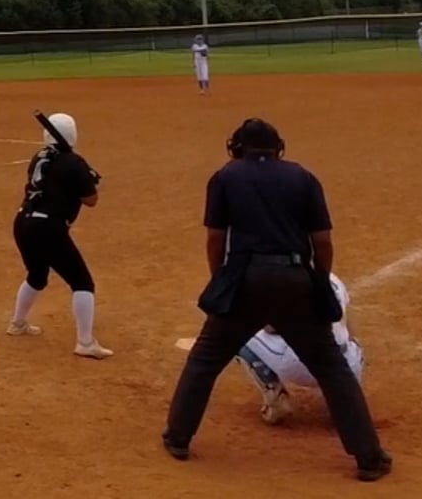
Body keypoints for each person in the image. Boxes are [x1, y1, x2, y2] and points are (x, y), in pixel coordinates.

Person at [162, 118, 391, 482]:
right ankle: (368, 457)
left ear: (237, 147)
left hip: (245, 279)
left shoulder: (225, 176)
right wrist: (317, 282)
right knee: (331, 368)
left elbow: (215, 238)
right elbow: (323, 241)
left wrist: (222, 280)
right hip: (295, 277)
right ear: (278, 147)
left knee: (205, 360)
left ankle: (178, 437)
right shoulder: (303, 177)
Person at [6, 112, 112, 359]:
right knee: (82, 283)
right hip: (48, 228)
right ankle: (85, 342)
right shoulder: (74, 162)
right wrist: (88, 180)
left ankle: (17, 323)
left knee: (37, 275)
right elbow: (91, 200)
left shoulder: (40, 157)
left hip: (23, 223)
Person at [235, 272, 365, 425]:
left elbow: (271, 328)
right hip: (345, 367)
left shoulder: (281, 280)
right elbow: (348, 326)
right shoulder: (331, 278)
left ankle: (274, 397)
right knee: (351, 343)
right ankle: (344, 400)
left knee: (235, 330)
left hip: (301, 366)